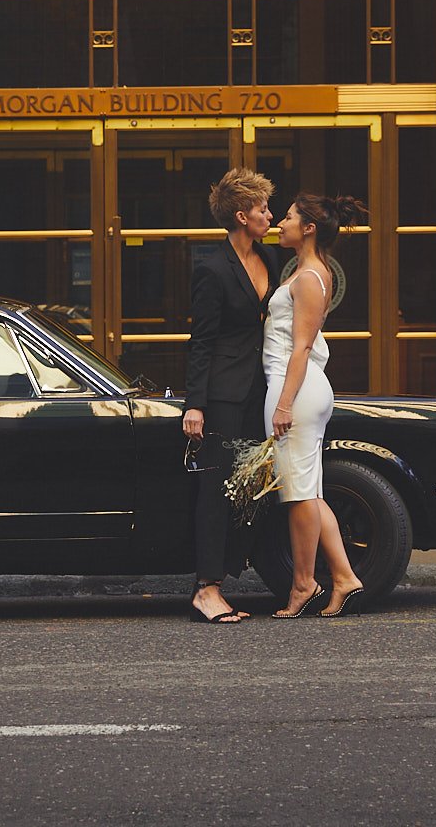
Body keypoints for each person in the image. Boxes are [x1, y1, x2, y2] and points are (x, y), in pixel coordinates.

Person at [182, 168, 279, 623]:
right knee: (215, 490)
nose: (270, 215)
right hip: (221, 393)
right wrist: (195, 404)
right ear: (242, 216)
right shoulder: (212, 269)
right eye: (262, 209)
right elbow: (201, 340)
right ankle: (207, 589)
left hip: (259, 388)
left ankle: (237, 572)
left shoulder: (270, 261)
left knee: (250, 489)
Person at [263, 193, 366, 618]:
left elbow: (301, 347)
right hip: (300, 390)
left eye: (287, 217)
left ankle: (304, 583)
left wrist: (284, 404)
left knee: (298, 494)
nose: (280, 223)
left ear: (308, 228)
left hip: (296, 391)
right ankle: (343, 575)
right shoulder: (309, 272)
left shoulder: (308, 277)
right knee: (309, 491)